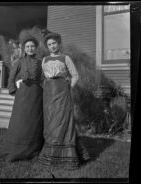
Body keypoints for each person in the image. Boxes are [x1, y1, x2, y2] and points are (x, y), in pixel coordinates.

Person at [38, 32, 90, 169]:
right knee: (51, 121)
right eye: (49, 44)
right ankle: (51, 153)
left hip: (62, 92)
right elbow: (43, 78)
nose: (52, 46)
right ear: (47, 47)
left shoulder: (65, 58)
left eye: (54, 43)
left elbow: (75, 75)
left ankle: (67, 155)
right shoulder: (44, 60)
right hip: (48, 93)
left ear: (58, 43)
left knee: (63, 120)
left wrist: (69, 87)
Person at [0, 35, 44, 162]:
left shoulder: (40, 62)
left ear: (36, 48)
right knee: (20, 120)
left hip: (36, 95)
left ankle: (33, 150)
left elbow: (43, 79)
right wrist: (13, 89)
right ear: (24, 48)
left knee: (34, 122)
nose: (30, 48)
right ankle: (15, 151)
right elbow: (11, 77)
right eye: (28, 46)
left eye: (32, 46)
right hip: (22, 95)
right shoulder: (19, 61)